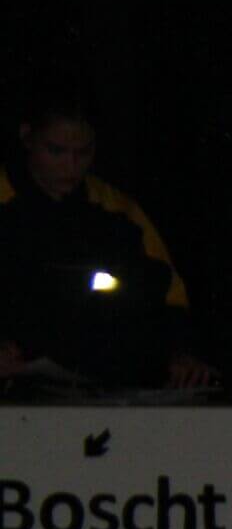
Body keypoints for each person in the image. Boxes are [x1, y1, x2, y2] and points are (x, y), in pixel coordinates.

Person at [0, 84, 220, 391]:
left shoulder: (118, 212)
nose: (70, 166)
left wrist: (179, 353)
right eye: (56, 151)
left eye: (83, 153)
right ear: (27, 137)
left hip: (98, 390)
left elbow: (168, 298)